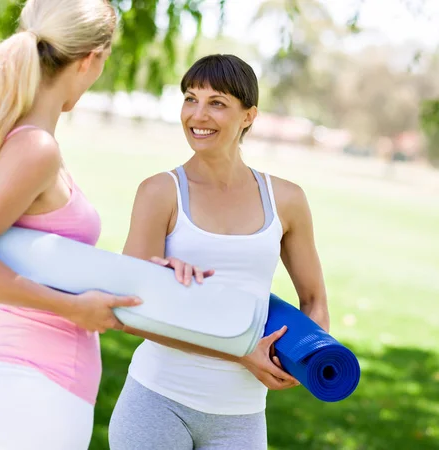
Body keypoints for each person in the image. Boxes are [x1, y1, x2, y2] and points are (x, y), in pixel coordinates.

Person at [0, 0, 208, 448]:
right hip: (37, 396)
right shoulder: (35, 149)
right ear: (92, 59)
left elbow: (53, 261)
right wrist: (71, 309)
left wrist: (152, 275)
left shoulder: (20, 140)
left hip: (11, 388)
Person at [108, 54, 331, 450]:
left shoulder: (287, 199)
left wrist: (310, 356)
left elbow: (314, 299)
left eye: (217, 103)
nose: (198, 115)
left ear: (248, 116)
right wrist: (240, 352)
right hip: (158, 401)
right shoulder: (160, 192)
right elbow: (130, 310)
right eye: (190, 98)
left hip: (241, 416)